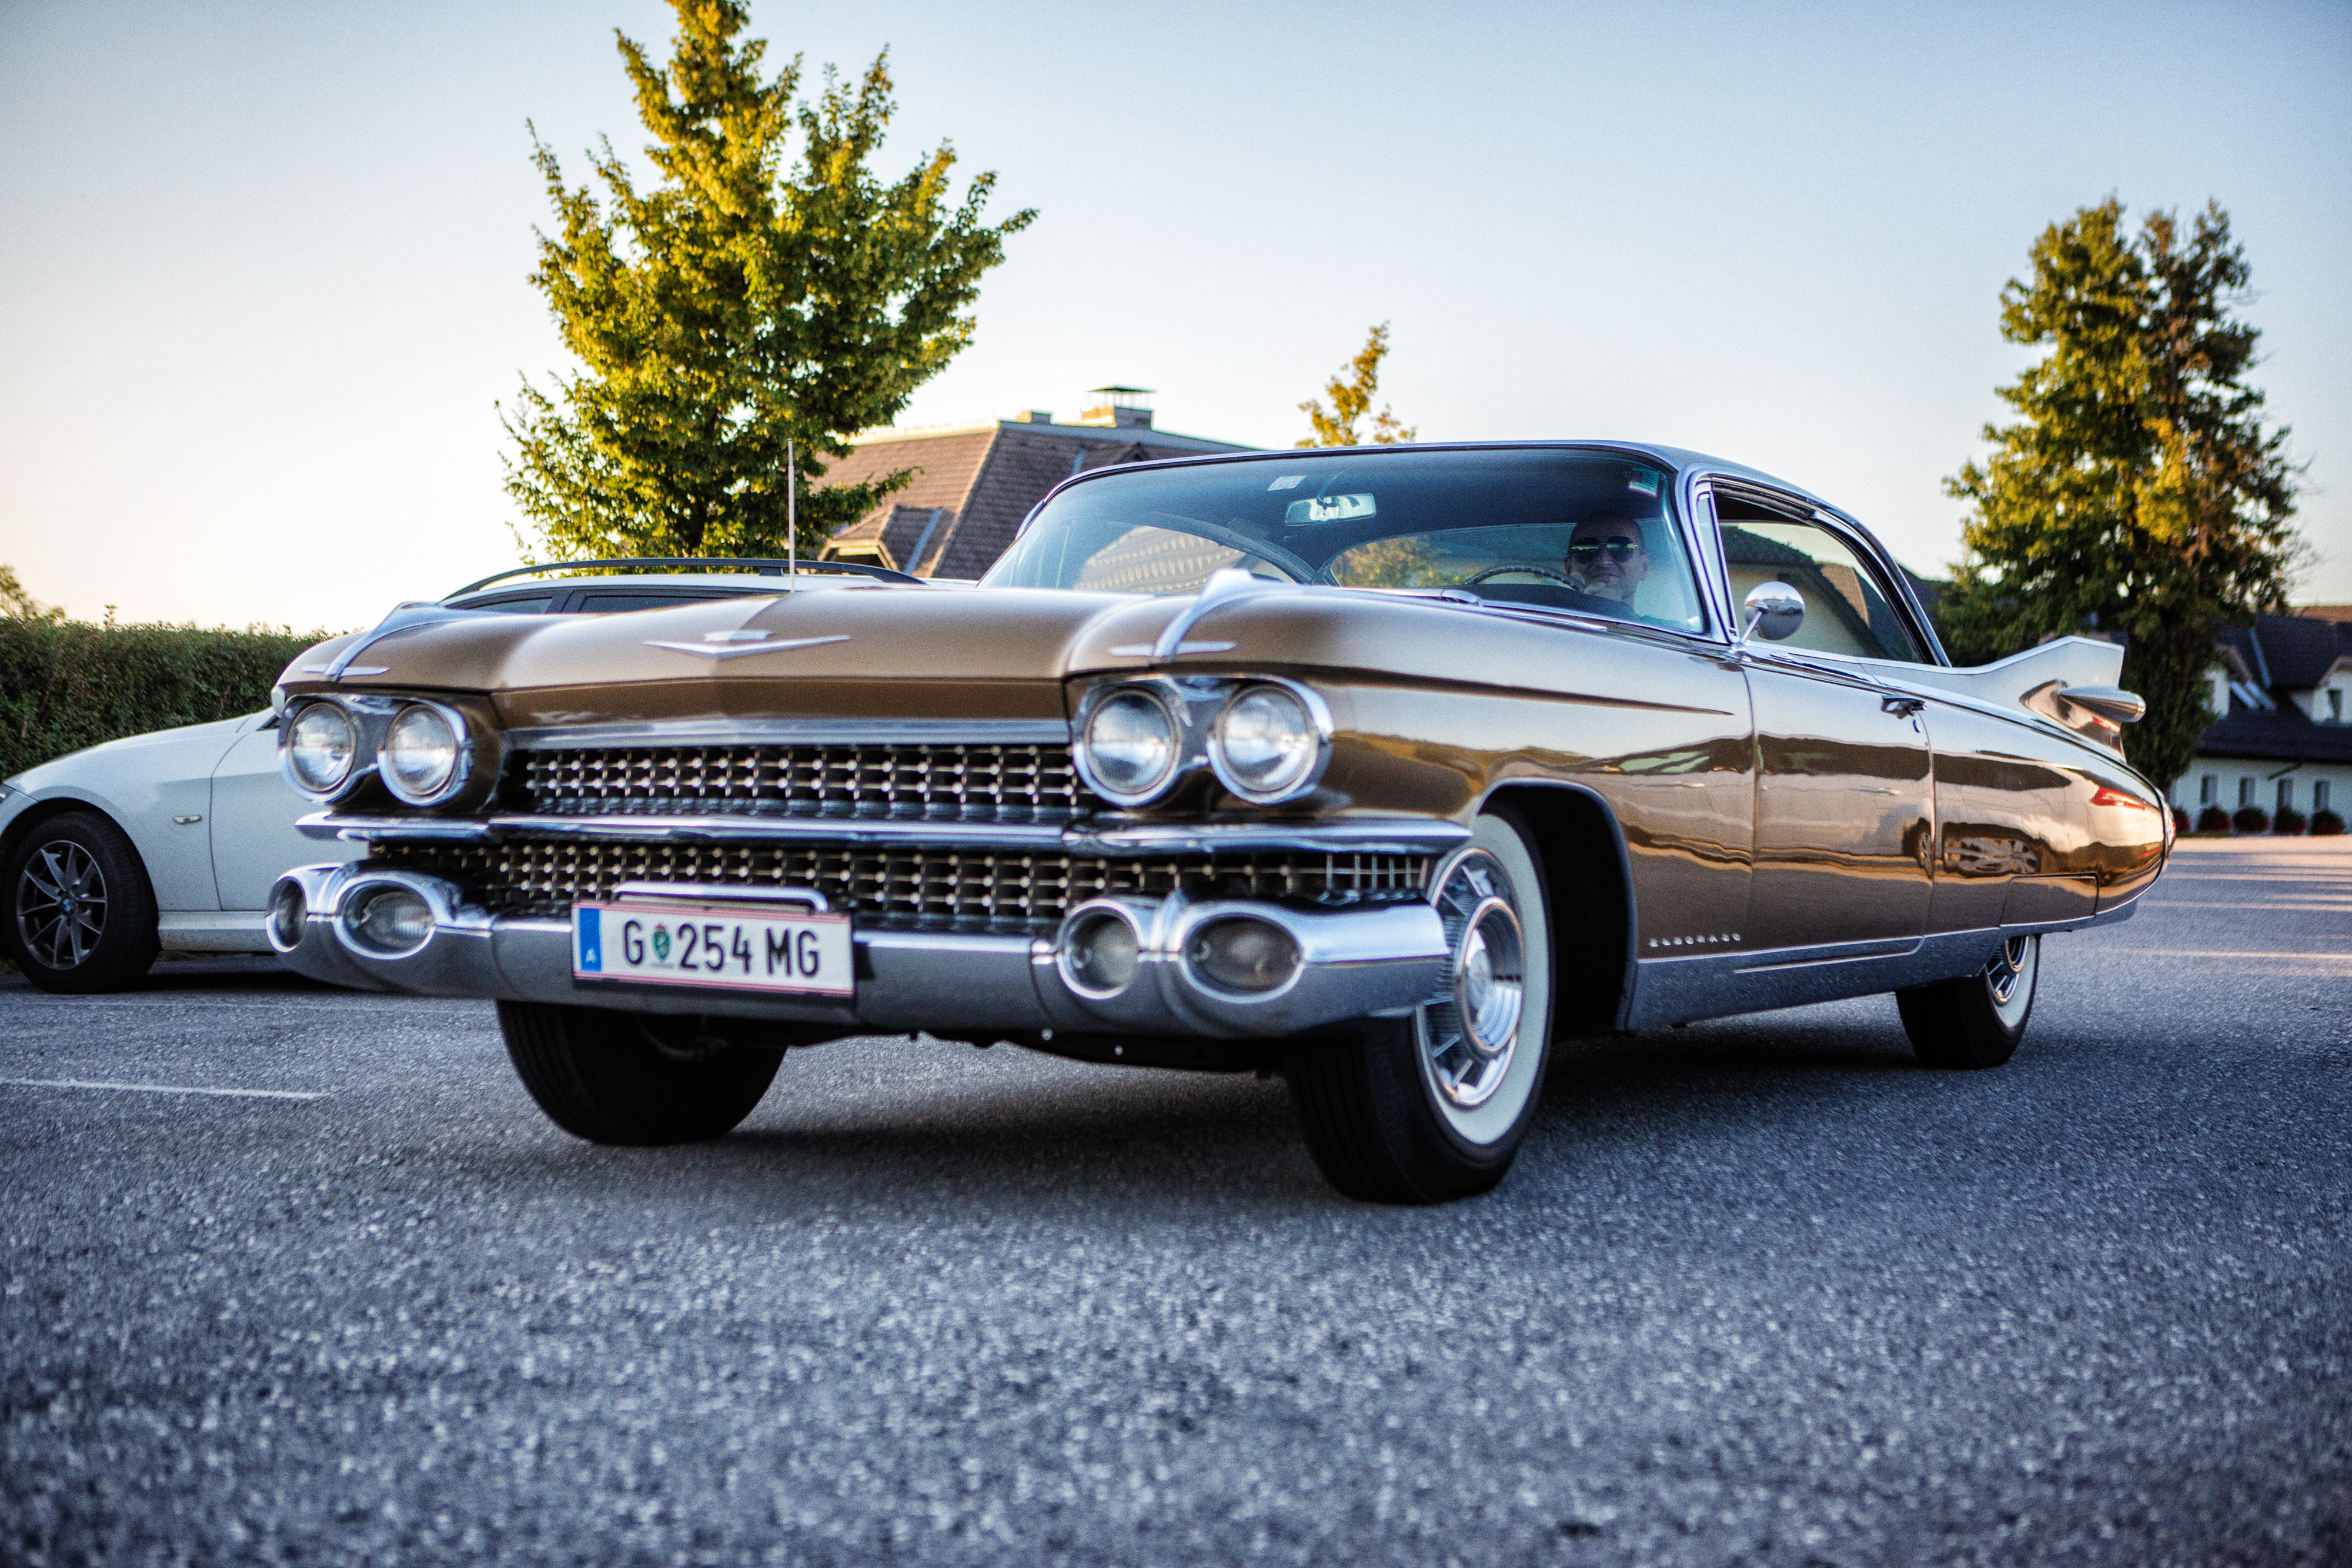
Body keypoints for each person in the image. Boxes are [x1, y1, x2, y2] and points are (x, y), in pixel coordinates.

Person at [1565, 513, 1651, 606]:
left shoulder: (1653, 621)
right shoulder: (1549, 616)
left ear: (1644, 567)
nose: (1603, 562)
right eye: (1587, 551)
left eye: (1620, 550)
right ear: (1569, 568)